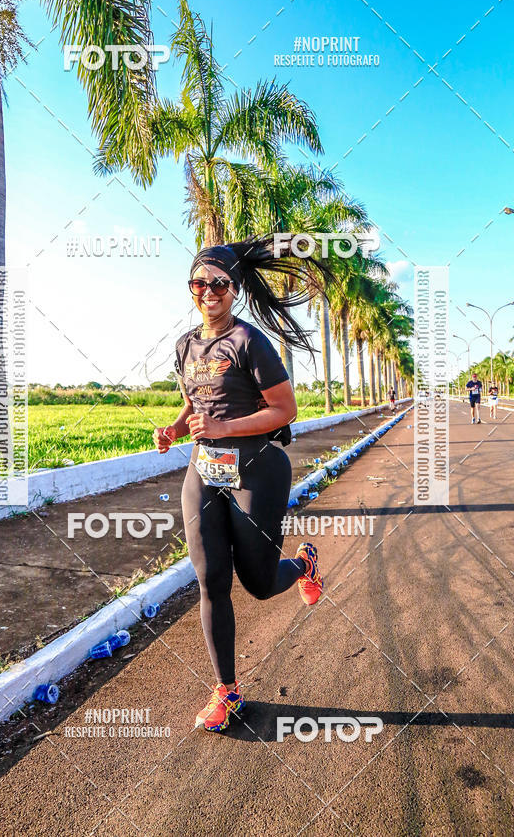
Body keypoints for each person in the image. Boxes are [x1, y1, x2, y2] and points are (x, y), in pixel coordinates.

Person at [152, 236, 325, 733]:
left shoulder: (250, 342)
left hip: (259, 469)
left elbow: (285, 410)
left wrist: (224, 429)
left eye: (219, 284)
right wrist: (175, 430)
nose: (209, 292)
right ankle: (227, 691)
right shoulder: (185, 345)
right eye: (199, 283)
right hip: (206, 471)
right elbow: (194, 405)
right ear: (191, 289)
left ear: (235, 290)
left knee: (258, 582)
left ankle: (304, 563)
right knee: (211, 581)